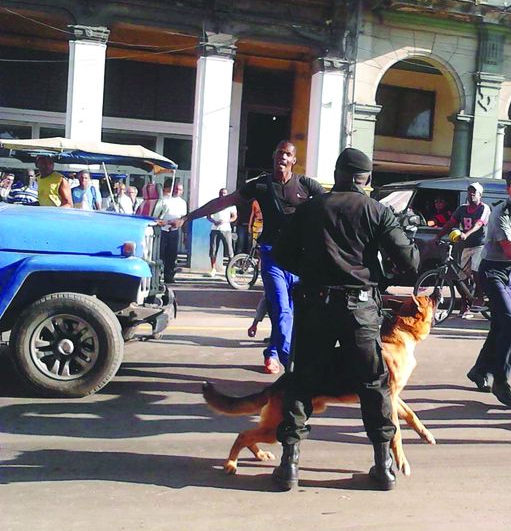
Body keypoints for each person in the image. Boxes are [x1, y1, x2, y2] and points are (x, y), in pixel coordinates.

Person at [271, 147, 419, 492]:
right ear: (365, 179)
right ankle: (383, 466)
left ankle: (289, 464)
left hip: (315, 304)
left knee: (303, 381)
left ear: (338, 174)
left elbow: (282, 255)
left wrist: (313, 273)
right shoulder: (377, 211)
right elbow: (410, 261)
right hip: (361, 308)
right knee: (373, 384)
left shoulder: (310, 209)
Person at [168, 141, 324, 374]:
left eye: (288, 154)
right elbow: (223, 201)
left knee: (290, 312)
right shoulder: (260, 185)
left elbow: (333, 206)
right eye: (280, 152)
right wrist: (187, 217)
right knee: (282, 309)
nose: (283, 157)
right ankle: (292, 366)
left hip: (300, 260)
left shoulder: (306, 185)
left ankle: (272, 352)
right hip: (272, 256)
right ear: (274, 156)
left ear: (293, 160)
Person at [466, 167, 511, 408]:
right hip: (493, 270)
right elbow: (510, 251)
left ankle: (479, 370)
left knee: (500, 325)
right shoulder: (501, 212)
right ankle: (501, 380)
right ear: (508, 188)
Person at [432, 182, 491, 313]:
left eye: (474, 192)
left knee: (476, 270)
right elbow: (450, 223)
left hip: (480, 245)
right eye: (470, 191)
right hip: (466, 246)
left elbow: (479, 224)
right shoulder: (462, 209)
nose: (471, 194)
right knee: (460, 277)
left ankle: (480, 297)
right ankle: (466, 302)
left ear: (480, 194)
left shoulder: (484, 208)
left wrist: (466, 234)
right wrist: (438, 236)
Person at [157, 178, 188, 283]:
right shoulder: (164, 200)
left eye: (180, 190)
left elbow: (183, 219)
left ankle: (169, 276)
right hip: (162, 231)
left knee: (172, 255)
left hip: (174, 231)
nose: (177, 191)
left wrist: (185, 234)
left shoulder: (183, 203)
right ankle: (158, 275)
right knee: (161, 254)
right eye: (176, 189)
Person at [206, 187, 237, 277]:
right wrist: (214, 221)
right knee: (213, 250)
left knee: (229, 251)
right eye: (221, 193)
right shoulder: (214, 204)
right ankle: (213, 269)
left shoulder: (231, 205)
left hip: (226, 229)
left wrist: (226, 221)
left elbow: (234, 217)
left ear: (227, 194)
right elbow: (208, 216)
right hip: (215, 229)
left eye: (224, 193)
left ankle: (231, 270)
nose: (222, 195)